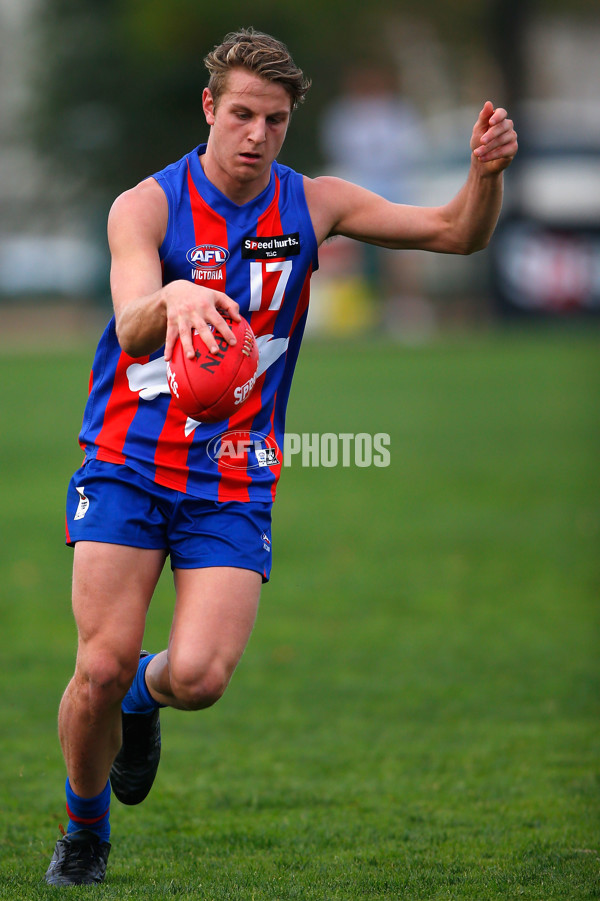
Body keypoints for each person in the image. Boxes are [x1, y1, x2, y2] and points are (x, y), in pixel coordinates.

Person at [45, 27, 517, 886]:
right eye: (241, 115)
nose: (257, 134)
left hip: (231, 475)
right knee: (100, 662)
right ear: (209, 109)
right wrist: (177, 292)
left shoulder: (314, 204)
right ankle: (84, 827)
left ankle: (143, 703)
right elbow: (128, 321)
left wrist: (482, 179)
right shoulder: (145, 207)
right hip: (127, 460)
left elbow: (458, 235)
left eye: (275, 119)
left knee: (198, 676)